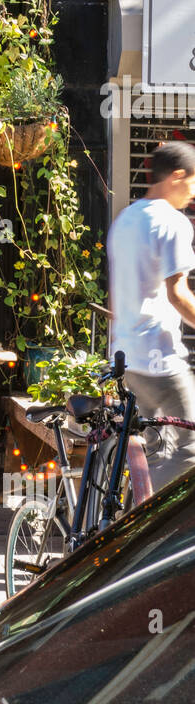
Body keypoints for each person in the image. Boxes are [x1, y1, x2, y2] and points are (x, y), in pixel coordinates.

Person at [107, 140, 195, 493]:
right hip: (160, 359)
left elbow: (115, 296)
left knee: (149, 452)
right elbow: (178, 293)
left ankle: (130, 523)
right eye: (193, 182)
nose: (192, 193)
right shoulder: (172, 222)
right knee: (189, 452)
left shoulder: (126, 219)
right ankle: (152, 532)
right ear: (176, 177)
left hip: (125, 357)